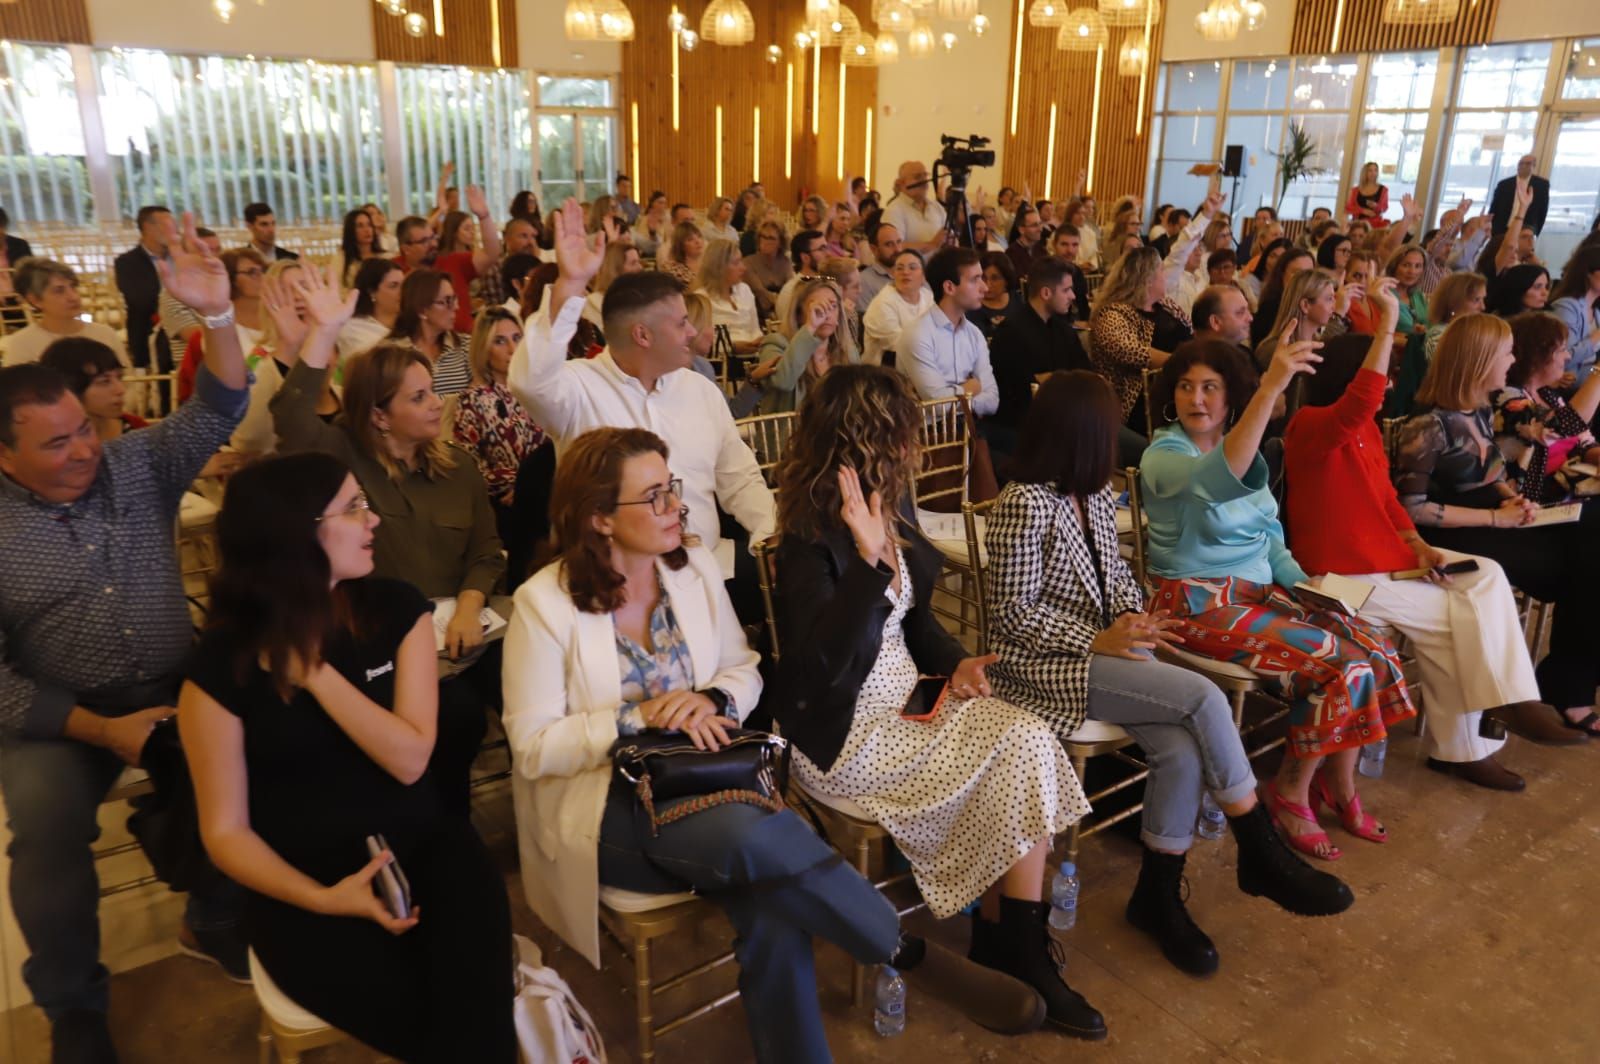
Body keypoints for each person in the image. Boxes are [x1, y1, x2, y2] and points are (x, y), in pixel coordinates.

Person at [502, 426, 906, 1063]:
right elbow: (530, 746)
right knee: (752, 841)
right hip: (607, 806)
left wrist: (714, 700)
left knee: (767, 896)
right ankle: (899, 944)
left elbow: (743, 668)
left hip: (702, 779)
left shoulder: (688, 573)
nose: (676, 508)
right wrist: (636, 717)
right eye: (655, 496)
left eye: (673, 489)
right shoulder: (542, 606)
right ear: (600, 518)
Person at [769, 365, 1106, 1040]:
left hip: (910, 704)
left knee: (1026, 736)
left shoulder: (890, 504)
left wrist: (956, 663)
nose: (918, 449)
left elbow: (915, 620)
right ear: (869, 439)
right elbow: (815, 671)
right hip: (847, 735)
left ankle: (1010, 942)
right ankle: (1019, 950)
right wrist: (867, 565)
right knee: (1019, 742)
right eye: (905, 435)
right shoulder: (809, 538)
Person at [987, 370, 1353, 975]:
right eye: (1108, 428)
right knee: (1204, 698)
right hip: (1043, 668)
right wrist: (1099, 638)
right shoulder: (1025, 501)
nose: (1117, 439)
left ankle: (1156, 898)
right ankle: (1259, 849)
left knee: (1182, 751)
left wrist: (1133, 615)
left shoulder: (1095, 493)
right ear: (1082, 433)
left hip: (1109, 653)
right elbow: (1011, 616)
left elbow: (1120, 577)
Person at [0, 215, 250, 1061]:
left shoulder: (132, 464)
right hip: (60, 711)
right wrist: (104, 730)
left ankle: (216, 912)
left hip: (173, 681)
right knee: (44, 825)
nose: (83, 453)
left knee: (258, 740)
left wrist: (216, 318)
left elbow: (220, 404)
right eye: (57, 443)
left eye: (83, 430)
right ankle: (74, 1005)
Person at [179, 453, 516, 1063]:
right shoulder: (220, 664)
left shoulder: (395, 611)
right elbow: (224, 831)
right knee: (435, 1027)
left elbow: (411, 759)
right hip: (304, 883)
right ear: (294, 534)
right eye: (353, 508)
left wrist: (312, 672)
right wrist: (323, 897)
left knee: (475, 1018)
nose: (374, 521)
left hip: (427, 849)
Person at [1285, 291, 1567, 800]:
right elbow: (1363, 397)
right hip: (1338, 577)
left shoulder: (1365, 431)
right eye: (1383, 371)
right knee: (1459, 624)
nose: (1391, 382)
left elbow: (1391, 504)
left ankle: (1499, 711)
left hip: (1383, 565)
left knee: (1485, 573)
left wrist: (1419, 547)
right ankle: (1485, 727)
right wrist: (1389, 318)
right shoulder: (1312, 428)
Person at [1141, 336, 1416, 856]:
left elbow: (1270, 538)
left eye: (1209, 388)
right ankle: (1290, 791)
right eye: (1184, 387)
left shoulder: (1241, 455)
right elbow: (1215, 481)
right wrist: (1272, 385)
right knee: (1340, 665)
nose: (1195, 399)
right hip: (1196, 605)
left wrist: (1311, 592)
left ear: (1229, 400)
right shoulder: (1165, 455)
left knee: (1373, 646)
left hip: (1261, 594)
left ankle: (1338, 785)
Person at [270, 266, 505, 817]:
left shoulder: (458, 469)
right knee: (459, 715)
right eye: (419, 396)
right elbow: (292, 422)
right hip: (382, 636)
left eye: (433, 392)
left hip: (467, 627)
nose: (436, 404)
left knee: (537, 684)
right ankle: (438, 822)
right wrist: (321, 334)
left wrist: (471, 606)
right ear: (378, 415)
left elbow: (487, 550)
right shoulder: (341, 464)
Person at [511, 198, 775, 583]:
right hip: (612, 583)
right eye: (682, 323)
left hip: (706, 572)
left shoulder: (700, 390)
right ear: (642, 335)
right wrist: (570, 285)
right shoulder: (578, 388)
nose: (693, 333)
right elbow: (528, 380)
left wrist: (769, 534)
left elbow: (739, 477)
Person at [1391, 313, 1600, 767]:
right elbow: (1411, 510)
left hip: (1493, 520)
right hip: (1454, 532)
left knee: (1593, 539)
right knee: (1586, 564)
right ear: (1480, 360)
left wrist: (1512, 501)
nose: (1512, 360)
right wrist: (1496, 516)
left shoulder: (1479, 410)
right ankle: (1546, 691)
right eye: (1506, 352)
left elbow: (1495, 475)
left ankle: (1557, 685)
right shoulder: (1428, 425)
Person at [452, 307, 547, 543]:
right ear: (484, 350)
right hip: (506, 507)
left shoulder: (542, 390)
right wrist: (518, 486)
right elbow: (468, 465)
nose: (512, 349)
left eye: (517, 338)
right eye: (500, 341)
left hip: (552, 493)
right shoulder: (472, 401)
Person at [1492, 311, 1600, 509]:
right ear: (1537, 356)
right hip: (1532, 504)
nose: (1568, 356)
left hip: (1568, 489)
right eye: (1562, 350)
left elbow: (1583, 442)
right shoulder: (1507, 398)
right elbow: (1559, 426)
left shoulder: (1548, 394)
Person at [987, 256, 1091, 443]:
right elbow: (1017, 392)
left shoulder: (1063, 329)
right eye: (1066, 290)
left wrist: (1052, 378)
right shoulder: (1011, 333)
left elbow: (1086, 371)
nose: (1073, 296)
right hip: (1030, 429)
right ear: (1045, 293)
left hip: (1071, 418)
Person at [1089, 246, 1193, 422]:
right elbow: (1135, 352)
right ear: (1148, 277)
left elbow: (1191, 334)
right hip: (1136, 403)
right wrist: (1187, 363)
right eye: (1161, 270)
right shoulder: (1112, 314)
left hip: (1176, 387)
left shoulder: (1166, 305)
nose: (1165, 275)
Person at [899, 248, 997, 418]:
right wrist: (971, 388)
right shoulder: (917, 334)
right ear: (949, 287)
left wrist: (954, 396)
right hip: (927, 438)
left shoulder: (974, 334)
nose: (985, 288)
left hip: (971, 431)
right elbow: (937, 406)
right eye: (975, 280)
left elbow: (992, 402)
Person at [392, 186, 502, 334]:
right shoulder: (394, 273)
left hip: (464, 343)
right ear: (406, 248)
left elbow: (491, 254)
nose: (432, 244)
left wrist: (484, 216)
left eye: (433, 237)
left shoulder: (453, 261)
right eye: (424, 241)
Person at [749, 277, 858, 415]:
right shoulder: (775, 344)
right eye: (818, 308)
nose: (826, 314)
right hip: (792, 433)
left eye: (833, 306)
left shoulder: (847, 351)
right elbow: (783, 381)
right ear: (799, 314)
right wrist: (810, 327)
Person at [1, 259, 125, 368]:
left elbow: (127, 386)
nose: (73, 297)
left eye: (73, 287)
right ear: (35, 300)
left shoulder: (105, 334)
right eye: (59, 291)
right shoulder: (22, 344)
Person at [113, 206, 176, 384]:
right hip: (149, 328)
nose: (175, 230)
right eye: (168, 224)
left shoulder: (181, 257)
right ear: (148, 227)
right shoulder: (127, 262)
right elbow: (139, 300)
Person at [388, 269, 471, 398]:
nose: (456, 307)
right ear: (422, 310)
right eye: (446, 301)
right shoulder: (392, 352)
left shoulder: (466, 345)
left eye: (454, 299)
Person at [1253, 268, 1354, 373]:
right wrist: (1338, 316)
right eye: (1329, 299)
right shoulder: (1274, 350)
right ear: (1305, 305)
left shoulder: (1318, 340)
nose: (1335, 305)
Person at [862, 249, 933, 366]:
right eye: (899, 268)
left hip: (921, 363)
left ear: (924, 276)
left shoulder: (928, 297)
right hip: (885, 372)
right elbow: (900, 345)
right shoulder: (883, 303)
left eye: (912, 267)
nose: (905, 272)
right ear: (893, 274)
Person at [694, 239, 762, 352]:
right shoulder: (702, 299)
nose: (743, 268)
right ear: (719, 267)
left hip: (754, 354)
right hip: (724, 361)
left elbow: (755, 329)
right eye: (736, 263)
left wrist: (759, 341)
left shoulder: (745, 290)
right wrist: (731, 347)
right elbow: (699, 343)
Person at [337, 259, 404, 365]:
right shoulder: (353, 329)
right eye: (393, 286)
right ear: (372, 292)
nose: (403, 292)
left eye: (404, 285)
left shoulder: (410, 322)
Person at [1549, 245, 1600, 385]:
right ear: (1588, 273)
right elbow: (1566, 358)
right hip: (1572, 380)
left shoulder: (1596, 311)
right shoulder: (1566, 306)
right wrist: (1597, 336)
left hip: (1591, 375)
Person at [1250, 247, 1313, 348]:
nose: (1304, 279)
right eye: (1297, 273)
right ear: (1282, 274)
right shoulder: (1270, 307)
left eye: (1309, 274)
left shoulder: (1313, 304)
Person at [883, 160, 948, 255]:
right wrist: (932, 245)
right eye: (917, 177)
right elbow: (894, 247)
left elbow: (950, 237)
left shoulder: (937, 207)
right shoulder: (894, 210)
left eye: (925, 175)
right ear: (902, 183)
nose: (924, 180)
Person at [1424, 271, 1487, 361]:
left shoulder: (1473, 332)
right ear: (1455, 302)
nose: (1483, 307)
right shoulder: (1438, 335)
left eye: (1483, 299)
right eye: (1476, 300)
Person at [773, 228, 826, 326]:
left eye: (826, 248)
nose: (828, 254)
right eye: (821, 249)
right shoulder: (792, 290)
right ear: (805, 258)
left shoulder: (824, 283)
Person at [1490, 153, 1549, 235]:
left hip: (1526, 230)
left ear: (1534, 166)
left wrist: (1536, 233)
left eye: (1528, 163)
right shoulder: (1504, 185)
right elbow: (1494, 208)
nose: (1523, 166)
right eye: (1521, 163)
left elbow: (1542, 211)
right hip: (1502, 228)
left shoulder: (1541, 185)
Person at [743, 219, 791, 318]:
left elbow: (791, 290)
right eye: (763, 236)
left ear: (780, 242)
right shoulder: (748, 263)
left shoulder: (786, 262)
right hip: (758, 313)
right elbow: (761, 293)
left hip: (783, 311)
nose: (765, 241)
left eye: (771, 238)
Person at [967, 251, 1019, 341]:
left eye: (994, 278)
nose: (987, 284)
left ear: (1006, 279)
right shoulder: (971, 306)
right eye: (983, 277)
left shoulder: (1017, 299)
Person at [1190, 284, 1253, 350]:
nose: (1250, 318)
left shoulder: (1245, 354)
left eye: (1247, 310)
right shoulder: (1196, 359)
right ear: (1215, 322)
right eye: (1240, 313)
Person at [857, 220, 901, 311]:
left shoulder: (911, 273)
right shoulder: (864, 282)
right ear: (873, 249)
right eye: (889, 244)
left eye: (899, 242)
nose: (897, 249)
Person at [340, 208, 386, 287]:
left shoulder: (385, 257)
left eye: (369, 225)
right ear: (351, 231)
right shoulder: (342, 259)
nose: (367, 230)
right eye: (360, 226)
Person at [659, 220, 705, 287]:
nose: (698, 241)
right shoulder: (674, 270)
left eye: (699, 236)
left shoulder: (709, 264)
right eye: (690, 239)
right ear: (681, 246)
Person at [1005, 203, 1043, 277]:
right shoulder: (1011, 253)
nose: (1040, 229)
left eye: (1040, 224)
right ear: (1021, 229)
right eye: (1035, 225)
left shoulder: (1041, 250)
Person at [1345, 162, 1389, 228]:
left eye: (1375, 170)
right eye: (1370, 170)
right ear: (1365, 173)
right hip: (1357, 224)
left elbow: (1384, 208)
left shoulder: (1383, 189)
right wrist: (1363, 211)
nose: (1373, 173)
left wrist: (1376, 206)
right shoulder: (1355, 190)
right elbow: (1348, 208)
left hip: (1375, 224)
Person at [631, 191, 670, 260]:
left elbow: (668, 239)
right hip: (649, 253)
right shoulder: (645, 219)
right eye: (660, 203)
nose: (663, 206)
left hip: (664, 252)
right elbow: (643, 241)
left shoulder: (667, 219)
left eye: (664, 203)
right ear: (652, 204)